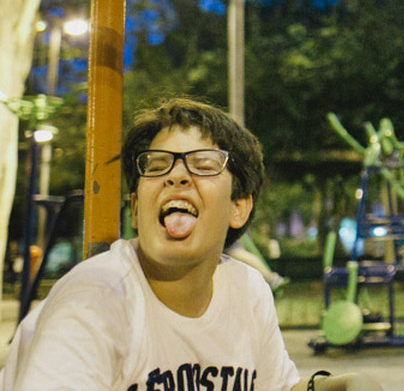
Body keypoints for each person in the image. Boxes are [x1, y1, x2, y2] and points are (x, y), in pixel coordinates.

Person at [0, 97, 381, 391]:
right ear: (135, 210)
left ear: (239, 207)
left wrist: (331, 386)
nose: (176, 176)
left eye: (203, 164)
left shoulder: (247, 291)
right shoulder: (95, 300)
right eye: (157, 164)